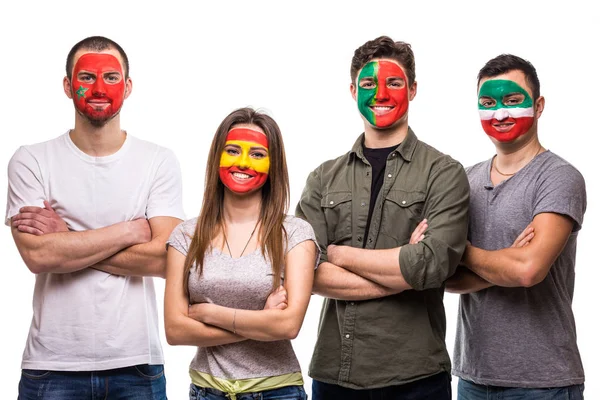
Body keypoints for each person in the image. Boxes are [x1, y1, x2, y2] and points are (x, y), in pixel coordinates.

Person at [6, 36, 184, 399]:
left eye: (111, 78)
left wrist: (67, 236)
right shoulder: (31, 160)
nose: (99, 88)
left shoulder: (158, 161)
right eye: (86, 77)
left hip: (136, 365)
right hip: (52, 367)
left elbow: (166, 260)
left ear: (129, 86)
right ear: (68, 86)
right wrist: (131, 230)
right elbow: (39, 256)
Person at [295, 36, 470, 399]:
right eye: (368, 83)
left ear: (414, 88)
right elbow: (302, 270)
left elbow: (433, 264)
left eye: (394, 82)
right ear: (352, 89)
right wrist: (403, 273)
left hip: (416, 377)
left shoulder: (444, 172)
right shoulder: (322, 178)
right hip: (334, 376)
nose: (381, 93)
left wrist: (338, 254)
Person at [447, 54, 586, 399]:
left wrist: (461, 251)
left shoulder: (558, 177)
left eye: (512, 101)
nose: (500, 114)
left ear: (538, 106)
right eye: (488, 103)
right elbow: (445, 277)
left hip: (544, 380)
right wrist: (505, 259)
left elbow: (527, 271)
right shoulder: (465, 179)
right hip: (472, 377)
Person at [164, 107, 318, 400]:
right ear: (216, 158)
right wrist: (261, 320)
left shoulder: (295, 234)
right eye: (233, 150)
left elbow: (288, 325)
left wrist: (212, 314)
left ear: (273, 164)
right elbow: (175, 330)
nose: (244, 163)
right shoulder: (186, 235)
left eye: (258, 155)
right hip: (207, 391)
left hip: (276, 391)